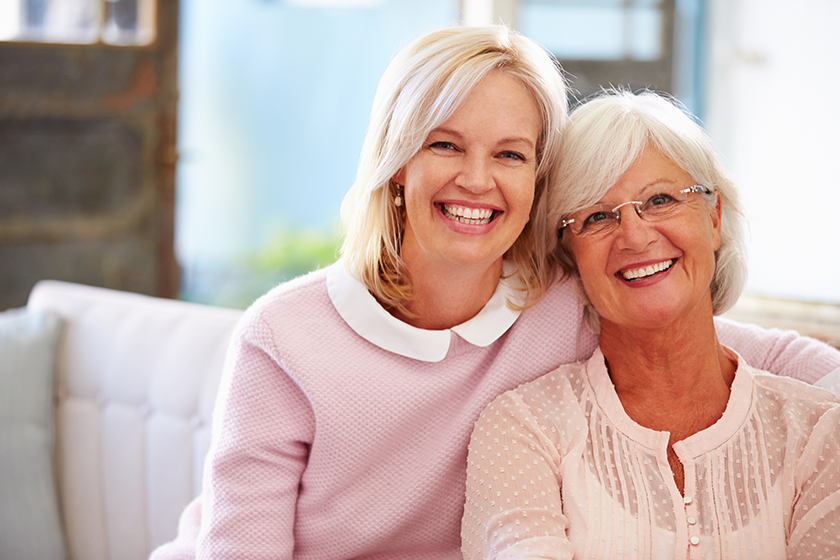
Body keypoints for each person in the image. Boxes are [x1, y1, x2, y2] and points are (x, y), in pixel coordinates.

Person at [152, 27, 840, 560]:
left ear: (537, 182)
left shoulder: (563, 305)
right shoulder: (284, 338)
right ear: (396, 164)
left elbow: (756, 358)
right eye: (445, 146)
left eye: (510, 154)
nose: (477, 180)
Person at [461, 90, 840, 559]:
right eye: (598, 216)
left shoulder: (820, 431)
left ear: (714, 217)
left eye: (660, 199)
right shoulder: (525, 427)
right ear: (569, 255)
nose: (636, 236)